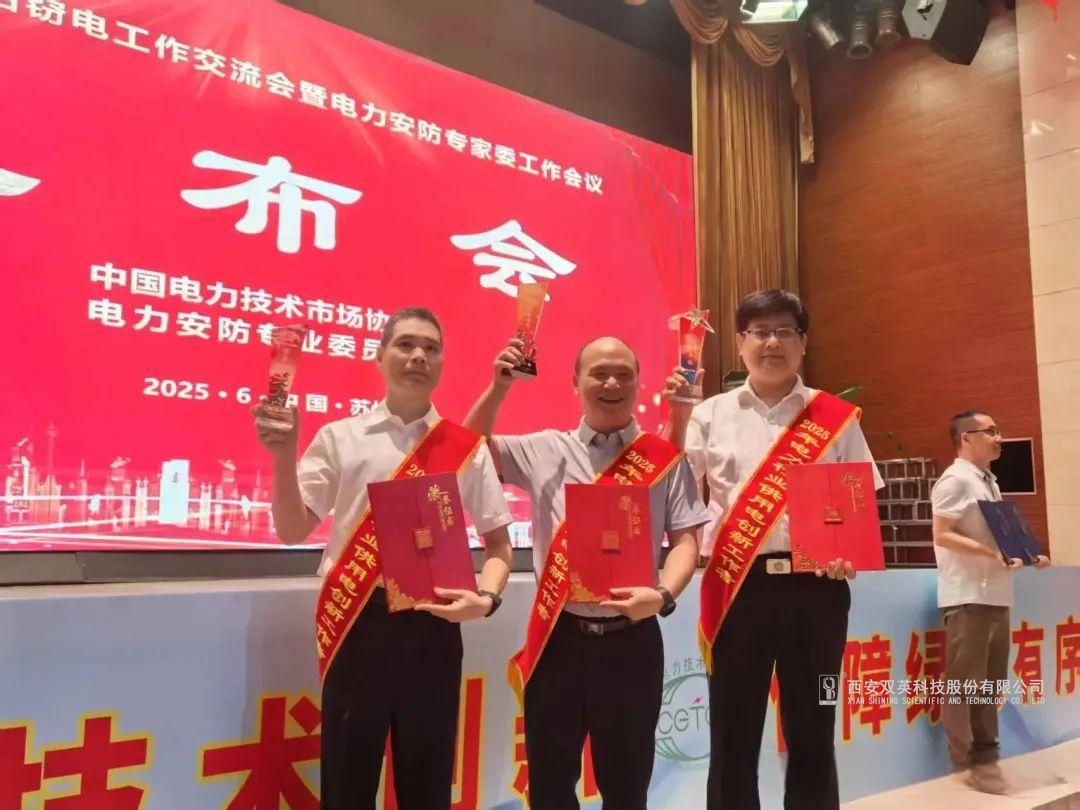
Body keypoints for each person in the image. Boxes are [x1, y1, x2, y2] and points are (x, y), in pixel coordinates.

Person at [252, 307, 513, 810]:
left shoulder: (464, 448)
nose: (419, 356)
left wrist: (486, 598)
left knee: (427, 785)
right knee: (347, 784)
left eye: (431, 348)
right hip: (358, 622)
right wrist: (283, 456)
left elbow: (499, 546)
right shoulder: (341, 437)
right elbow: (291, 529)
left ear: (442, 362)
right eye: (406, 344)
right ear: (379, 356)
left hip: (434, 625)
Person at [465, 335, 709, 810]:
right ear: (575, 382)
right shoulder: (544, 448)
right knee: (551, 785)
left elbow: (685, 540)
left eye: (624, 374)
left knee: (627, 786)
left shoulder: (663, 458)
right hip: (558, 640)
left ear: (638, 384)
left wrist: (662, 595)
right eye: (599, 373)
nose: (612, 383)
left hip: (632, 641)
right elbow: (469, 450)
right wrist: (499, 388)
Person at [667, 289, 883, 810]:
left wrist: (846, 550)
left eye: (785, 331)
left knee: (815, 725)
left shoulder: (835, 416)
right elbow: (674, 485)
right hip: (738, 588)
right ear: (740, 343)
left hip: (820, 591)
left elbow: (858, 497)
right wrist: (676, 415)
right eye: (760, 332)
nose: (772, 343)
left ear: (803, 343)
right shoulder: (710, 414)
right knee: (732, 728)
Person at [931, 410, 1051, 795]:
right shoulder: (955, 480)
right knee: (965, 683)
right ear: (965, 438)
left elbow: (1000, 536)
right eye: (990, 432)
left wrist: (1029, 555)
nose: (999, 438)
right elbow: (942, 534)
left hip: (996, 594)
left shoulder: (987, 481)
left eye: (999, 431)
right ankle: (964, 763)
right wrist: (987, 553)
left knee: (991, 684)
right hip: (968, 594)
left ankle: (987, 759)